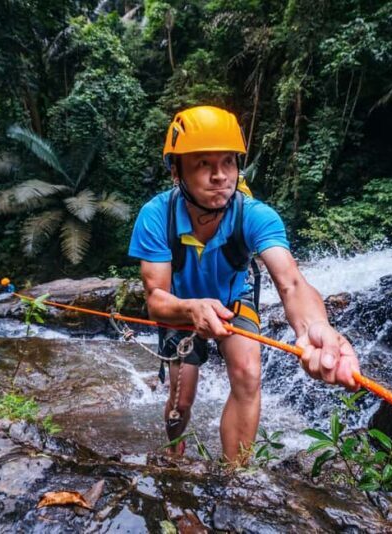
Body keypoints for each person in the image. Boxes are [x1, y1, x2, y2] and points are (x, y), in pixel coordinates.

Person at [128, 106, 360, 465]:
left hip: (234, 301)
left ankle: (236, 478)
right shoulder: (156, 216)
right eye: (203, 164)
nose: (220, 175)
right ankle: (174, 451)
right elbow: (156, 299)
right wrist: (191, 308)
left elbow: (292, 283)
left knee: (248, 374)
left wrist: (314, 326)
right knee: (181, 400)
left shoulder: (255, 215)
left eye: (228, 162)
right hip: (181, 308)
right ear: (177, 172)